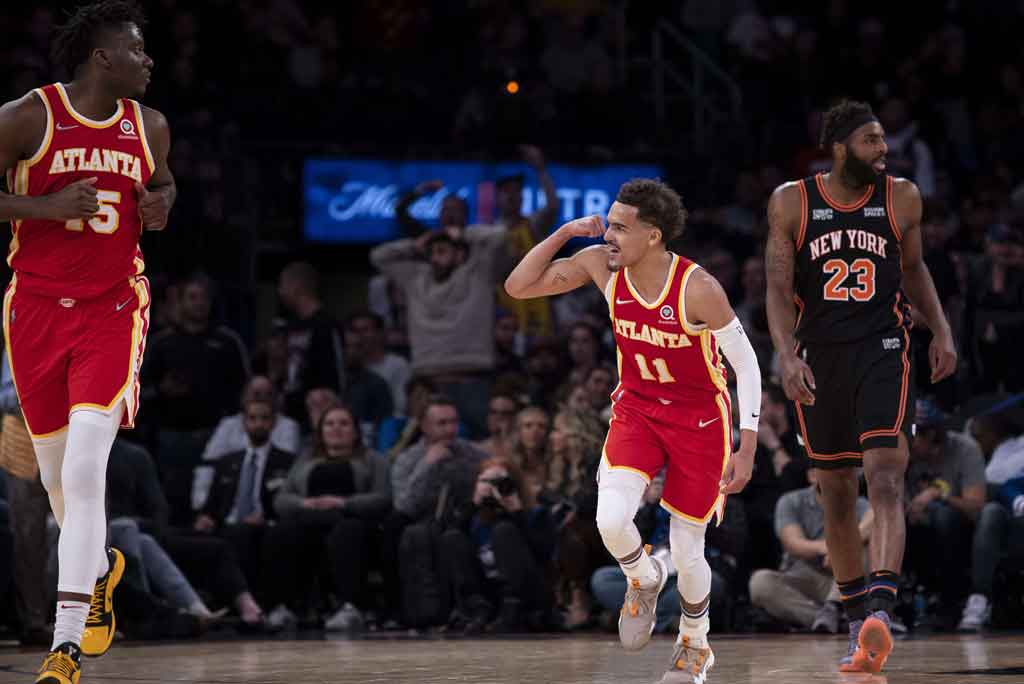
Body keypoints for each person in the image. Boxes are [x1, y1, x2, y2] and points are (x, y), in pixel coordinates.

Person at [506, 178, 762, 683]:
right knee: (609, 519)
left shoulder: (698, 288)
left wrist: (747, 446)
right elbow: (518, 286)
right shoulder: (601, 265)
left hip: (699, 420)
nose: (609, 235)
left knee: (688, 550)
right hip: (638, 411)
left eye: (620, 227)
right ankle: (642, 577)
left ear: (654, 235)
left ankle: (695, 643)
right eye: (609, 224)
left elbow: (748, 366)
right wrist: (564, 233)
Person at [0, 1, 176, 679]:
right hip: (36, 309)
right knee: (56, 483)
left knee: (82, 471)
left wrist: (163, 203)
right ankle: (99, 567)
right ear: (103, 57)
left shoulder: (149, 126)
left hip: (113, 308)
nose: (148, 60)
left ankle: (65, 644)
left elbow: (162, 185)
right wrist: (43, 207)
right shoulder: (27, 116)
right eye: (137, 49)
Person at [765, 99, 957, 674]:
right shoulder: (791, 202)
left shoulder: (902, 197)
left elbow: (915, 270)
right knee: (837, 492)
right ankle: (857, 627)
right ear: (840, 147)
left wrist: (941, 330)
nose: (883, 149)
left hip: (884, 350)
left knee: (886, 477)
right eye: (871, 140)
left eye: (883, 139)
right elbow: (777, 290)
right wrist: (785, 356)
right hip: (820, 358)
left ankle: (881, 608)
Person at [749, 467, 872, 634]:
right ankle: (831, 620)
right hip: (803, 575)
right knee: (760, 582)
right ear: (812, 476)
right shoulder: (791, 501)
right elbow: (793, 543)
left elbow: (874, 519)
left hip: (842, 579)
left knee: (863, 549)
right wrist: (833, 548)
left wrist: (844, 549)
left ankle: (833, 607)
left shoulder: (858, 502)